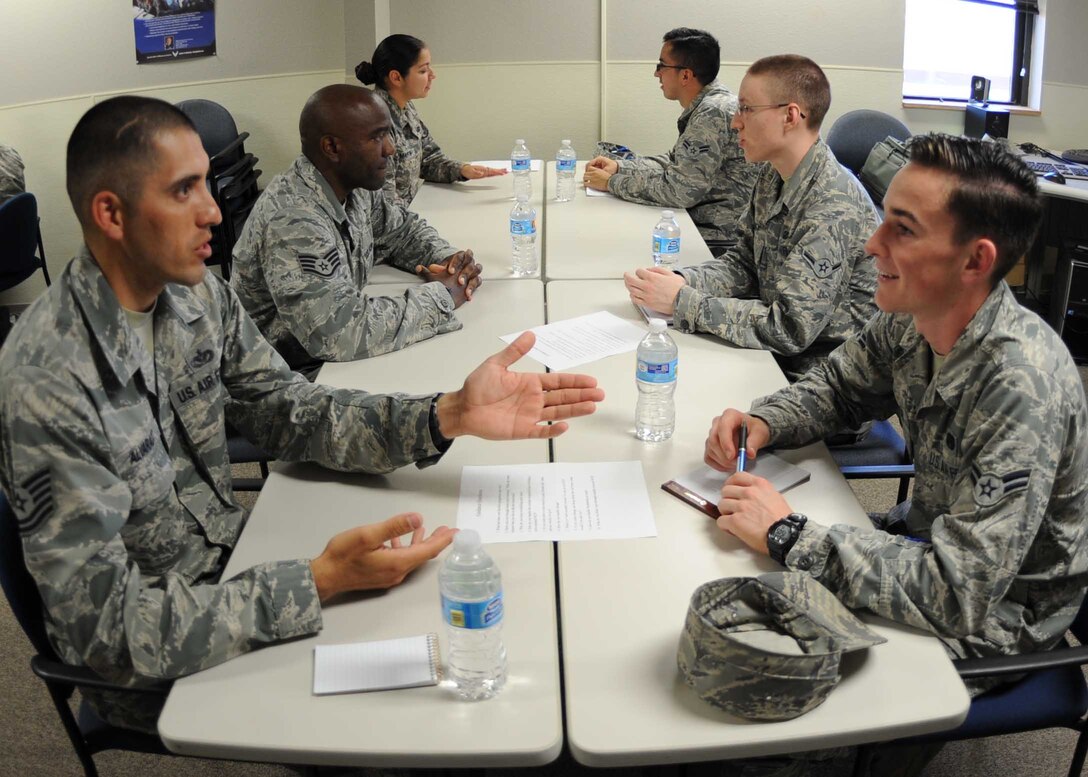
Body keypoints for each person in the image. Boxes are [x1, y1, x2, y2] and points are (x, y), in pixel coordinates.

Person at [0, 95, 604, 734]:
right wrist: (317, 583)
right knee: (429, 710)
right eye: (185, 191)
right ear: (110, 214)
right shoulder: (48, 381)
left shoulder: (195, 296)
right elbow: (110, 640)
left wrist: (443, 415)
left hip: (234, 566)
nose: (213, 211)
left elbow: (287, 408)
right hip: (163, 663)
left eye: (207, 181)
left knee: (470, 615)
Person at [703, 133, 1088, 776]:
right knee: (729, 593)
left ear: (975, 261)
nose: (871, 243)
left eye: (901, 230)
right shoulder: (914, 311)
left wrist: (789, 533)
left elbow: (956, 594)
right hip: (924, 546)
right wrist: (766, 421)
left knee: (758, 712)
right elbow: (839, 386)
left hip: (996, 615)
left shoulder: (1022, 387)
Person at [625, 55, 878, 385]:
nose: (735, 122)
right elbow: (743, 264)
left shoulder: (832, 204)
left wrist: (682, 302)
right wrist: (681, 282)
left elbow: (789, 329)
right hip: (776, 355)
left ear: (790, 116)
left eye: (746, 109)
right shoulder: (775, 175)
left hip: (820, 382)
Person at [231, 84, 484, 377]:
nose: (390, 148)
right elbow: (337, 332)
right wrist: (442, 296)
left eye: (388, 133)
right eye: (376, 137)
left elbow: (401, 231)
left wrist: (451, 262)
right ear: (332, 148)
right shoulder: (294, 219)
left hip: (331, 363)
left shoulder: (353, 183)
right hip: (286, 379)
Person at [583, 28, 757, 251]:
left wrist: (611, 183)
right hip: (703, 224)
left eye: (661, 66)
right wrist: (619, 167)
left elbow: (680, 191)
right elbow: (675, 162)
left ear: (685, 75)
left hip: (716, 238)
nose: (657, 74)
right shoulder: (710, 105)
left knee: (611, 244)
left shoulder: (712, 113)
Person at [356, 34, 505, 207]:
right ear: (396, 77)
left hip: (409, 217)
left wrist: (462, 170)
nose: (432, 75)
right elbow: (384, 206)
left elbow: (428, 159)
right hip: (394, 227)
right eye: (423, 70)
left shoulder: (405, 107)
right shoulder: (376, 123)